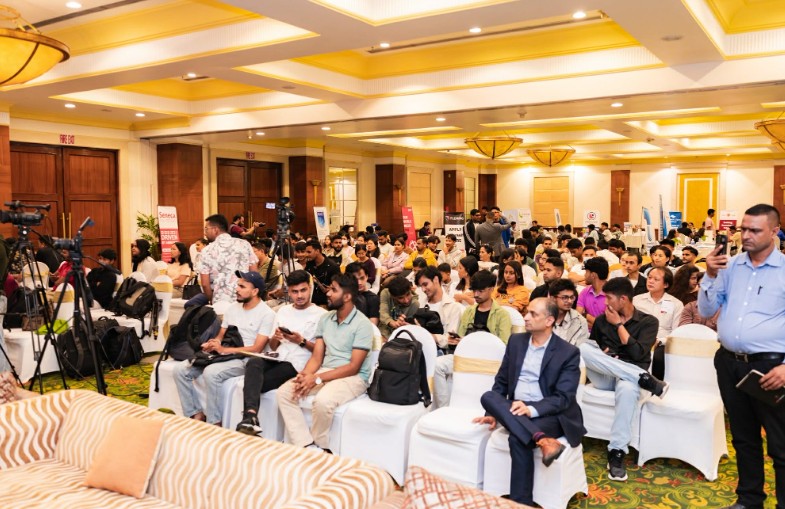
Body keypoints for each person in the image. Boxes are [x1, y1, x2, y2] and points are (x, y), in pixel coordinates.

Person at [698, 203, 785, 509]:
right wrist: (710, 274)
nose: (745, 235)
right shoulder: (730, 266)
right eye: (743, 229)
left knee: (780, 443)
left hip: (771, 368)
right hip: (729, 363)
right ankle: (749, 500)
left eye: (754, 230)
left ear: (774, 232)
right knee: (744, 437)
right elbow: (707, 310)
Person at [473, 297, 585, 506]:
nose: (526, 317)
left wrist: (531, 409)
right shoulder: (516, 342)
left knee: (517, 438)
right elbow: (502, 381)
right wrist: (493, 414)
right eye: (527, 312)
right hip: (515, 408)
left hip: (550, 414)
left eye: (533, 314)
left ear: (549, 320)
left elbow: (564, 397)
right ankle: (542, 439)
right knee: (488, 397)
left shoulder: (568, 352)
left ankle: (521, 502)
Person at [578, 277, 667, 482]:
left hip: (628, 380)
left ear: (623, 299)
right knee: (582, 348)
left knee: (627, 388)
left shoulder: (648, 322)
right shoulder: (601, 321)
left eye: (609, 298)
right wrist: (604, 355)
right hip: (607, 376)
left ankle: (617, 451)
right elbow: (595, 351)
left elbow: (638, 354)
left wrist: (618, 325)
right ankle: (645, 379)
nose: (605, 303)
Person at [276, 274, 374, 451]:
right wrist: (305, 376)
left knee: (323, 401)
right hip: (326, 370)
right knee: (285, 392)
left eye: (333, 290)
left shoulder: (363, 324)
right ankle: (305, 444)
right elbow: (316, 357)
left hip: (354, 377)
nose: (328, 293)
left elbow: (353, 367)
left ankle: (321, 446)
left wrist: (317, 378)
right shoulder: (326, 319)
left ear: (347, 296)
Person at [174, 271, 275, 425]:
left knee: (211, 372)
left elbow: (257, 349)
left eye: (242, 286)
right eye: (238, 285)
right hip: (225, 354)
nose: (237, 289)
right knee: (180, 370)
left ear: (255, 291)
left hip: (246, 359)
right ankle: (195, 414)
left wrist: (223, 350)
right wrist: (213, 344)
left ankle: (215, 422)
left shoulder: (267, 314)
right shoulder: (233, 308)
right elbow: (221, 335)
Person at [236, 270, 326, 436]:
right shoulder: (283, 311)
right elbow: (272, 346)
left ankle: (249, 417)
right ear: (288, 292)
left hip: (297, 364)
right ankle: (250, 416)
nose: (299, 296)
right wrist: (276, 338)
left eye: (303, 290)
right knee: (253, 363)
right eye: (294, 291)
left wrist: (301, 341)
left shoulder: (322, 315)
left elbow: (322, 352)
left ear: (310, 289)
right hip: (276, 357)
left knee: (253, 383)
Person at [433, 270, 512, 408]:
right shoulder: (469, 311)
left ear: (491, 289)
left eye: (480, 291)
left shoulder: (502, 315)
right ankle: (444, 407)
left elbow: (504, 345)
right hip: (466, 356)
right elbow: (461, 335)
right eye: (474, 290)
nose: (476, 294)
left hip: (489, 360)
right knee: (436, 365)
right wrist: (456, 341)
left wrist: (476, 343)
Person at [194, 214, 258, 307]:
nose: (205, 233)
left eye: (206, 229)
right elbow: (254, 274)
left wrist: (211, 300)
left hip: (220, 301)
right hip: (244, 299)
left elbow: (205, 284)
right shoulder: (244, 244)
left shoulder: (207, 251)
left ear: (215, 229)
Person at [633, 266, 684, 379]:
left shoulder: (676, 304)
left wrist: (660, 341)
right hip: (639, 340)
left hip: (662, 343)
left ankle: (656, 384)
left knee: (659, 356)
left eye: (656, 279)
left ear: (666, 284)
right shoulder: (636, 300)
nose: (650, 281)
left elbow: (676, 332)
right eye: (649, 277)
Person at [415, 266, 463, 351]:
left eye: (425, 284)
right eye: (421, 286)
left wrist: (427, 335)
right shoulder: (421, 305)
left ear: (436, 279)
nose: (423, 289)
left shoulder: (453, 307)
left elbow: (450, 340)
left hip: (442, 354)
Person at [548, 278, 589, 346]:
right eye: (565, 297)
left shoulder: (580, 322)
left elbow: (580, 349)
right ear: (553, 298)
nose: (570, 301)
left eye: (572, 297)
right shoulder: (541, 317)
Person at [303, 239, 340, 307]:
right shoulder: (309, 264)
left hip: (326, 303)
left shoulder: (332, 266)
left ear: (317, 251)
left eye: (309, 252)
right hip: (310, 302)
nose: (306, 254)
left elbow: (338, 287)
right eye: (306, 252)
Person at [576, 256, 609, 331]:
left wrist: (586, 316)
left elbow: (607, 326)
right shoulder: (585, 291)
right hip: (585, 334)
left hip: (605, 336)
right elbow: (577, 317)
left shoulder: (612, 294)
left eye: (586, 272)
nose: (584, 275)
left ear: (593, 275)